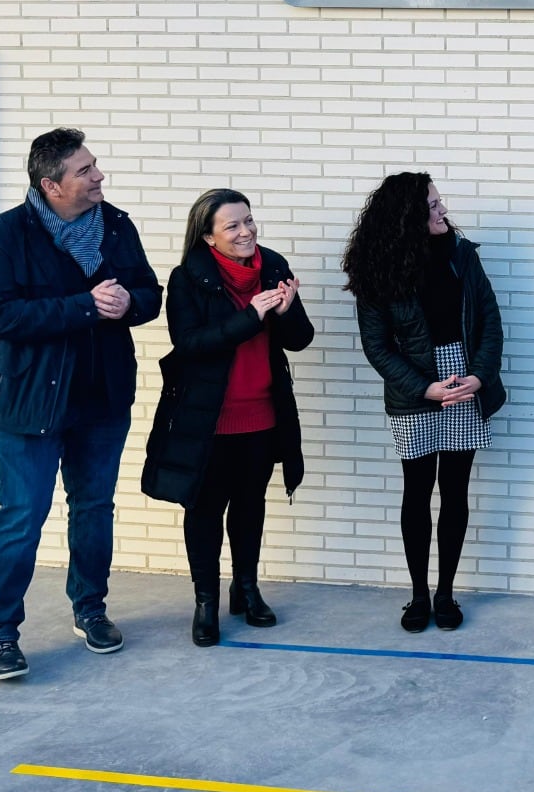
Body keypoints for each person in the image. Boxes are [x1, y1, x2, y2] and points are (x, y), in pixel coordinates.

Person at [0, 128, 162, 680]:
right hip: (27, 402)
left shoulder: (117, 224)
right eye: (85, 170)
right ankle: (0, 633)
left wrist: (130, 302)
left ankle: (91, 609)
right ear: (52, 184)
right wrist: (84, 307)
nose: (99, 176)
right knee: (22, 516)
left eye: (95, 165)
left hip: (100, 397)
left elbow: (149, 293)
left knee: (95, 508)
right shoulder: (0, 239)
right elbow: (0, 317)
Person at [141, 189, 315, 646]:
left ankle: (247, 588)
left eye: (249, 221)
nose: (246, 232)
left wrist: (286, 309)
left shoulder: (273, 266)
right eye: (233, 226)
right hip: (208, 420)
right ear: (209, 237)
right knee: (203, 510)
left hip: (261, 413)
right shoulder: (187, 278)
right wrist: (250, 318)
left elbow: (299, 340)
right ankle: (205, 601)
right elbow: (191, 344)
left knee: (250, 506)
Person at [343, 173, 506, 632]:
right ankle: (417, 596)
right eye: (432, 204)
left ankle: (446, 594)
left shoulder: (461, 254)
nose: (442, 209)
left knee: (455, 490)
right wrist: (424, 389)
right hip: (415, 387)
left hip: (465, 379)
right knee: (417, 491)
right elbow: (377, 346)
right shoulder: (378, 268)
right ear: (408, 216)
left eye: (439, 202)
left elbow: (489, 319)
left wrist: (478, 376)